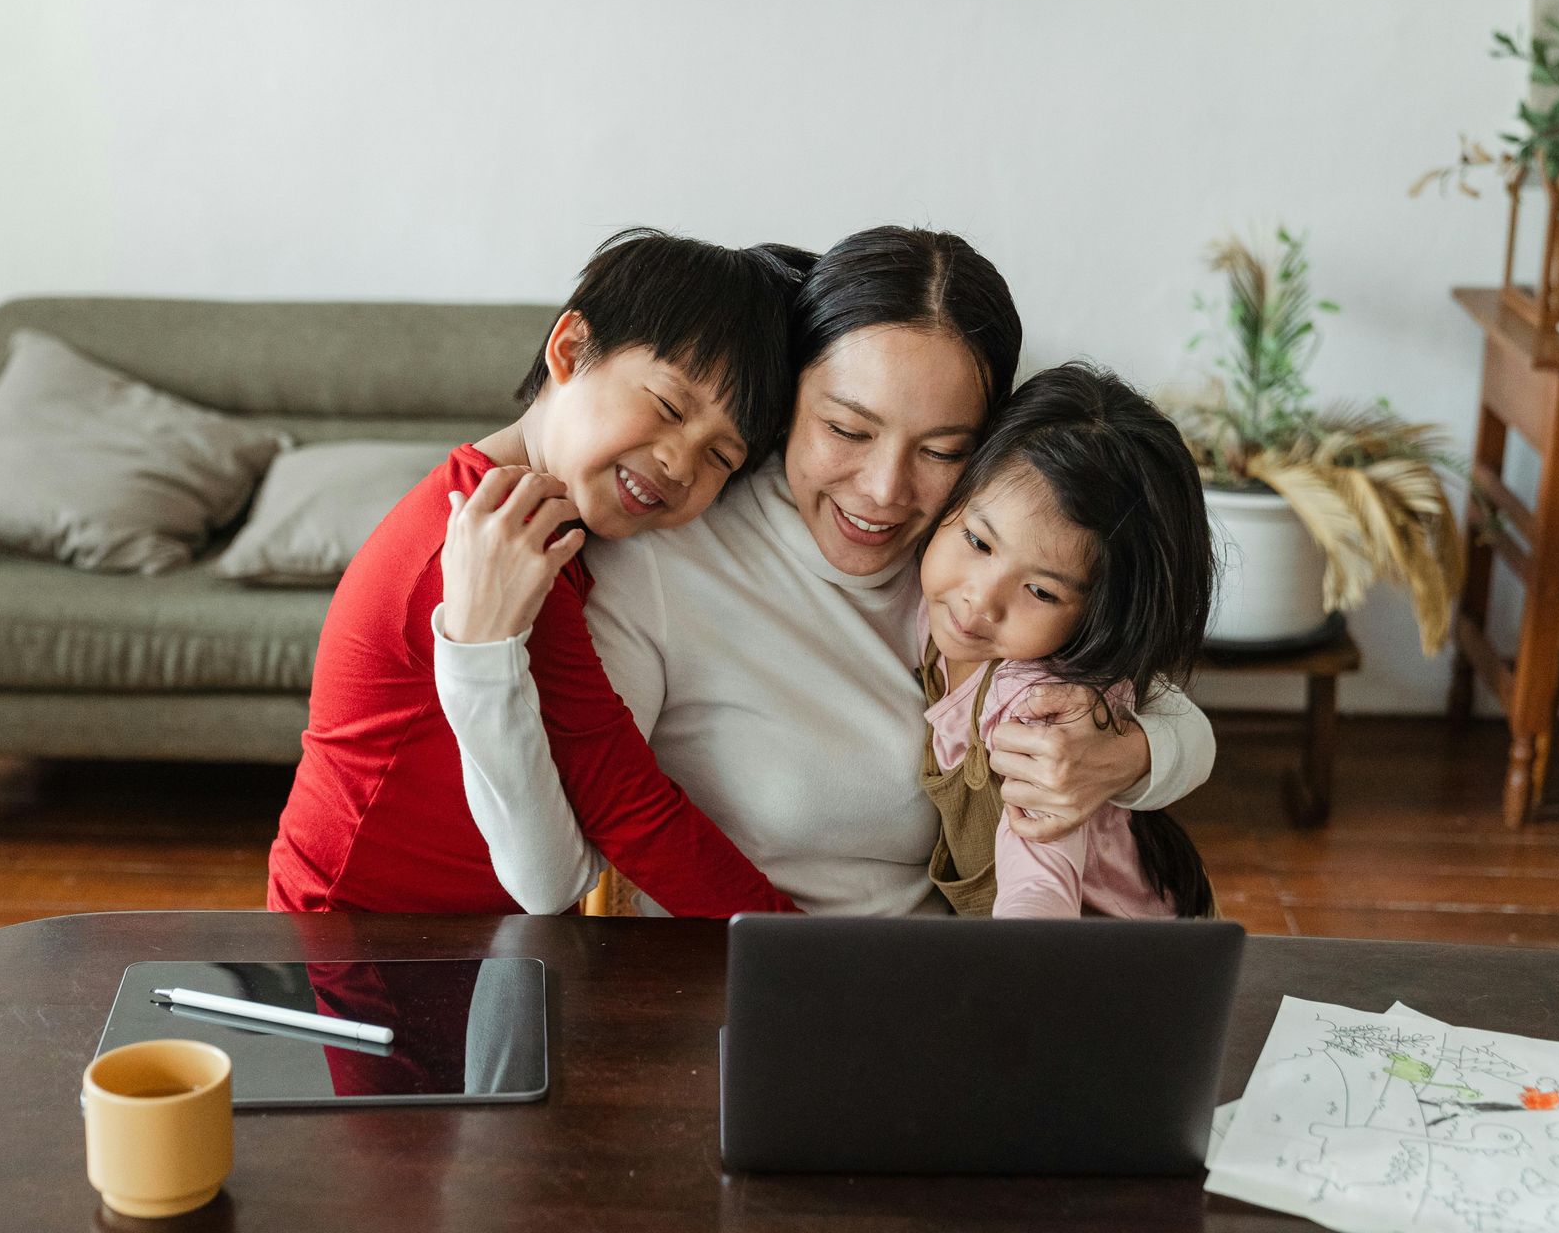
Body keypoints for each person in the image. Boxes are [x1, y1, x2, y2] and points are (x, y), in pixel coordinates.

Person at [434, 226, 1218, 915]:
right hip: (744, 1003)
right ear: (785, 402)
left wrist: (1128, 756)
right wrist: (476, 656)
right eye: (847, 429)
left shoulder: (970, 563)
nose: (884, 492)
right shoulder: (663, 560)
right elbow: (553, 875)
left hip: (947, 993)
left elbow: (1165, 706)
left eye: (942, 450)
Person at [266, 229, 805, 915]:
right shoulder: (496, 544)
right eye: (669, 408)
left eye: (720, 457)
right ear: (570, 349)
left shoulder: (551, 522)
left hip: (450, 940)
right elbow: (625, 810)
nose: (679, 462)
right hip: (355, 947)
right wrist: (802, 955)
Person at [913, 362, 1217, 919]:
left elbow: (1040, 887)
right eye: (979, 542)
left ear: (1098, 615)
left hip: (1126, 957)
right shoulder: (932, 617)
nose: (980, 600)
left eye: (1040, 591)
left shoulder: (1038, 704)